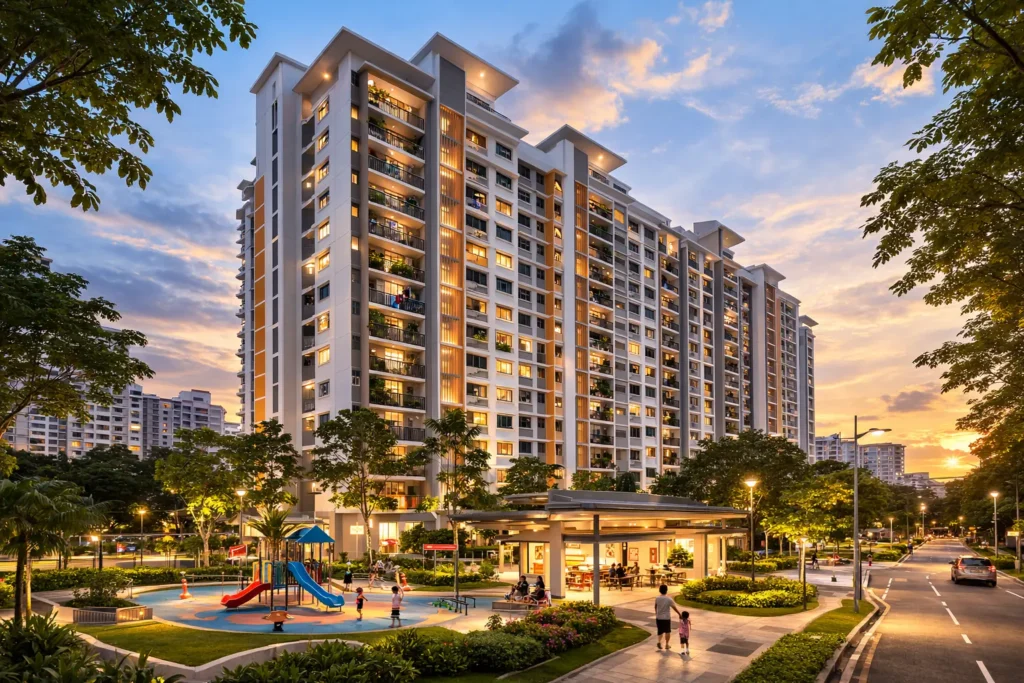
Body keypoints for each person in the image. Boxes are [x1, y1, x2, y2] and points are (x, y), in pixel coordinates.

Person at [654, 584, 681, 651]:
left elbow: (655, 606)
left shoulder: (657, 598)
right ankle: (666, 644)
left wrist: (656, 613)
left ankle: (659, 642)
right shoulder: (669, 599)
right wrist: (679, 614)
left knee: (660, 631)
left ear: (659, 590)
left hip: (659, 617)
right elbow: (674, 608)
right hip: (666, 618)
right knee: (667, 631)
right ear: (666, 590)